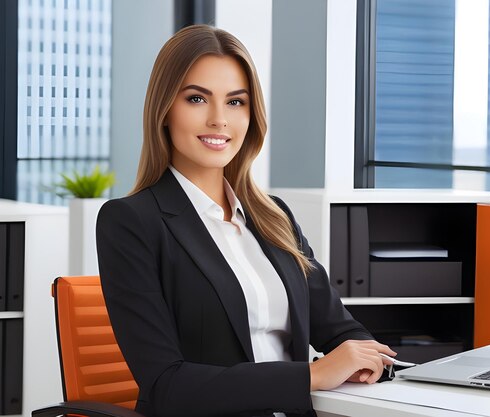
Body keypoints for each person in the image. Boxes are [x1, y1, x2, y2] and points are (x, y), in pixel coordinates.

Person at [96, 24, 395, 417]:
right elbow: (166, 384)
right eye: (197, 98)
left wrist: (365, 360)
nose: (219, 120)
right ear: (164, 109)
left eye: (236, 102)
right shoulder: (131, 222)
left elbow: (339, 329)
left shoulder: (273, 216)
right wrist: (312, 375)